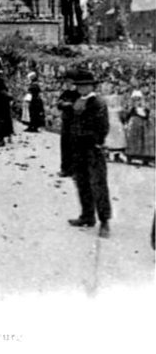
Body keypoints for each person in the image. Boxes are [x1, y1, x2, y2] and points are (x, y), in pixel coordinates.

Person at [68, 69, 112, 238]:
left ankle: (104, 221)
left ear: (91, 86)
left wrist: (96, 141)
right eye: (79, 86)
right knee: (82, 182)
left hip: (93, 149)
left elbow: (103, 127)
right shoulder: (78, 101)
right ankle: (87, 216)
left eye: (85, 85)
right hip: (78, 149)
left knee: (98, 184)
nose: (82, 88)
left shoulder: (98, 102)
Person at [122, 90, 155, 166]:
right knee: (133, 141)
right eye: (135, 99)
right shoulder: (131, 108)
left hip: (143, 126)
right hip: (134, 126)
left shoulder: (145, 108)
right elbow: (127, 116)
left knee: (143, 142)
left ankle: (145, 158)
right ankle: (130, 157)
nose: (137, 101)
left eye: (139, 99)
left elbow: (146, 115)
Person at [56, 72, 79, 177]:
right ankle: (65, 168)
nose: (68, 84)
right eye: (67, 82)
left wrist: (68, 104)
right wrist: (65, 104)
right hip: (66, 121)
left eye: (70, 82)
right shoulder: (66, 93)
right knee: (65, 145)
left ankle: (75, 170)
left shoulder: (79, 93)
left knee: (75, 145)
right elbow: (59, 103)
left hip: (76, 122)